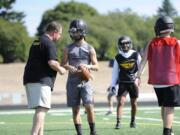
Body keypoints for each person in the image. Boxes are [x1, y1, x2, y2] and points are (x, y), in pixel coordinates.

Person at [136, 16, 180, 135]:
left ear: (158, 28)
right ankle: (166, 131)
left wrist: (138, 76)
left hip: (157, 82)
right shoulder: (177, 42)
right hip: (171, 80)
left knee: (164, 105)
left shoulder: (151, 43)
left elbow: (143, 61)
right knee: (169, 107)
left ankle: (169, 130)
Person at [23, 21, 66, 135]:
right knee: (42, 108)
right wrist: (61, 70)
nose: (60, 36)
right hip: (41, 80)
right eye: (60, 34)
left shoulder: (36, 41)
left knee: (40, 108)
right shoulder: (49, 43)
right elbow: (52, 63)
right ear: (55, 32)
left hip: (30, 79)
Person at [61, 19, 99, 135]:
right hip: (72, 82)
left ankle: (93, 131)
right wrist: (68, 67)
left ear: (82, 32)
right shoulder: (67, 48)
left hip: (85, 81)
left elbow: (96, 66)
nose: (74, 34)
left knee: (89, 106)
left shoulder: (90, 48)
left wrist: (87, 66)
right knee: (75, 109)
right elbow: (63, 64)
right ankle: (79, 133)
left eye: (76, 31)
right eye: (72, 32)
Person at [109, 36, 141, 129]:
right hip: (122, 83)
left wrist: (137, 77)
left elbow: (141, 67)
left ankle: (133, 121)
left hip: (133, 83)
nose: (125, 45)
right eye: (123, 44)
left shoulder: (136, 54)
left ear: (130, 44)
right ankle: (118, 122)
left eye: (127, 43)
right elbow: (115, 72)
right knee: (120, 102)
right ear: (120, 45)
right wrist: (113, 85)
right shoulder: (118, 57)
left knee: (134, 103)